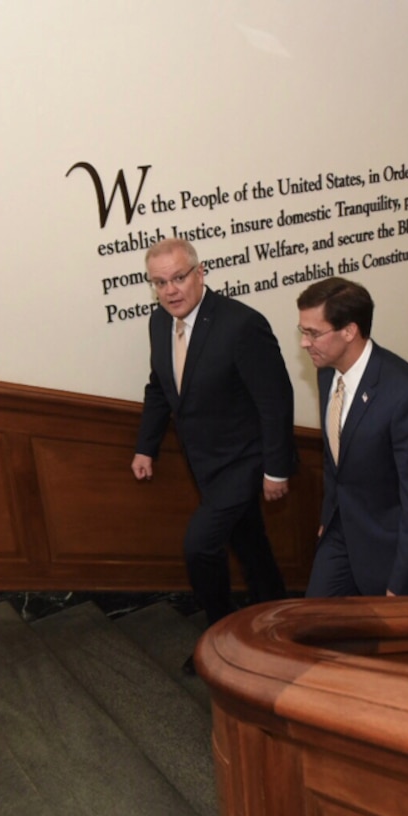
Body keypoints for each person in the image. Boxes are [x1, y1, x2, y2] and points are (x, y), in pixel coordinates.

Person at [131, 238, 295, 670]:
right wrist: (146, 446)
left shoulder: (242, 325)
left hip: (244, 461)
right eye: (160, 282)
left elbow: (275, 400)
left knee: (199, 547)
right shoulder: (158, 322)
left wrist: (277, 469)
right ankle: (280, 624)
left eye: (179, 277)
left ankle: (222, 641)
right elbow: (159, 387)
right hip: (202, 464)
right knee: (251, 545)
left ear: (200, 274)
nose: (170, 290)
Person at [296, 277, 408, 597]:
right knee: (314, 622)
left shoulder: (405, 394)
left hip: (386, 548)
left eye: (313, 333)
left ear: (349, 331)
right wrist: (327, 516)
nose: (304, 343)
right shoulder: (326, 373)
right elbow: (335, 458)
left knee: (382, 643)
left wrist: (402, 581)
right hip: (339, 532)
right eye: (302, 332)